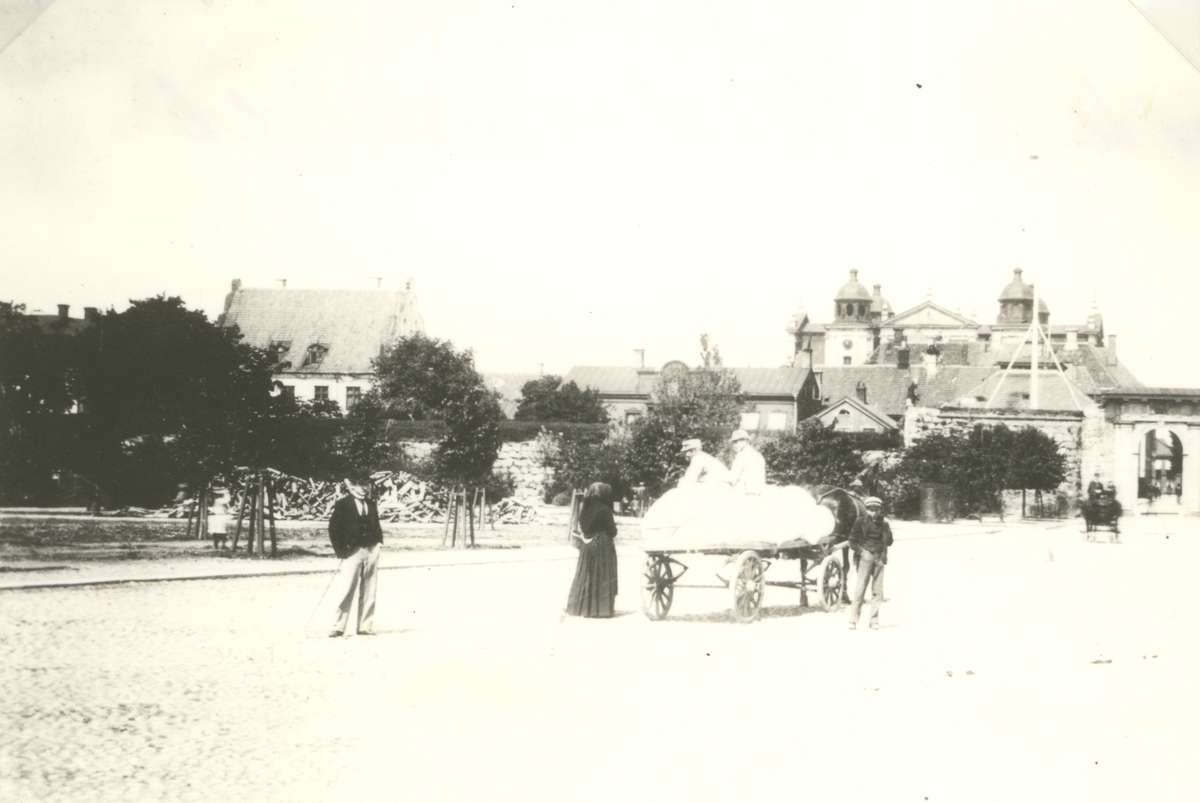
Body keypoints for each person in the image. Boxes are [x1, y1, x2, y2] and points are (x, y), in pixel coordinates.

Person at [327, 473, 384, 637]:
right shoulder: (343, 504)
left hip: (371, 550)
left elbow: (376, 525)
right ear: (352, 485)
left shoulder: (371, 503)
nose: (365, 488)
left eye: (367, 484)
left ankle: (365, 626)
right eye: (361, 484)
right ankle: (338, 626)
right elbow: (333, 528)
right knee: (347, 588)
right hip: (353, 552)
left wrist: (378, 543)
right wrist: (342, 551)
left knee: (369, 590)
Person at [566, 482, 619, 618]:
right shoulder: (605, 510)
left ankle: (583, 608)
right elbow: (613, 532)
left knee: (586, 576)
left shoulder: (585, 509)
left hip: (588, 546)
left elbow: (584, 528)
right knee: (602, 576)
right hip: (603, 546)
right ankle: (602, 610)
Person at [848, 496, 893, 631]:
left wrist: (887, 529)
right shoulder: (860, 522)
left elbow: (890, 542)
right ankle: (853, 620)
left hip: (879, 558)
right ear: (867, 510)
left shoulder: (884, 524)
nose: (874, 512)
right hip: (865, 558)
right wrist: (862, 552)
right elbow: (852, 541)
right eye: (871, 510)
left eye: (876, 510)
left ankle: (874, 621)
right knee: (860, 588)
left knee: (878, 591)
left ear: (880, 510)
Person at [728, 429, 766, 496]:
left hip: (743, 492)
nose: (735, 445)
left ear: (746, 441)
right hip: (758, 492)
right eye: (733, 442)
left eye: (738, 441)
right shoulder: (758, 455)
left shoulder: (741, 455)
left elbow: (733, 478)